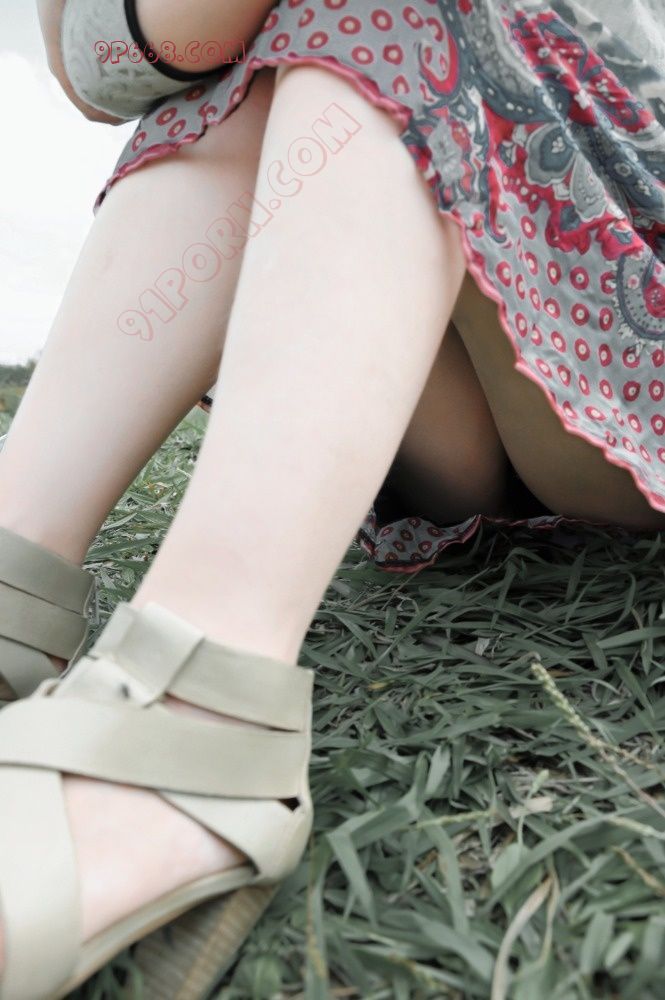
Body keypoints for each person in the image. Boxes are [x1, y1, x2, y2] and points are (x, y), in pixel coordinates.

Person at [0, 1, 663, 995]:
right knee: (255, 67)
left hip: (622, 342)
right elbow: (104, 70)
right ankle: (15, 568)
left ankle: (201, 708)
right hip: (447, 352)